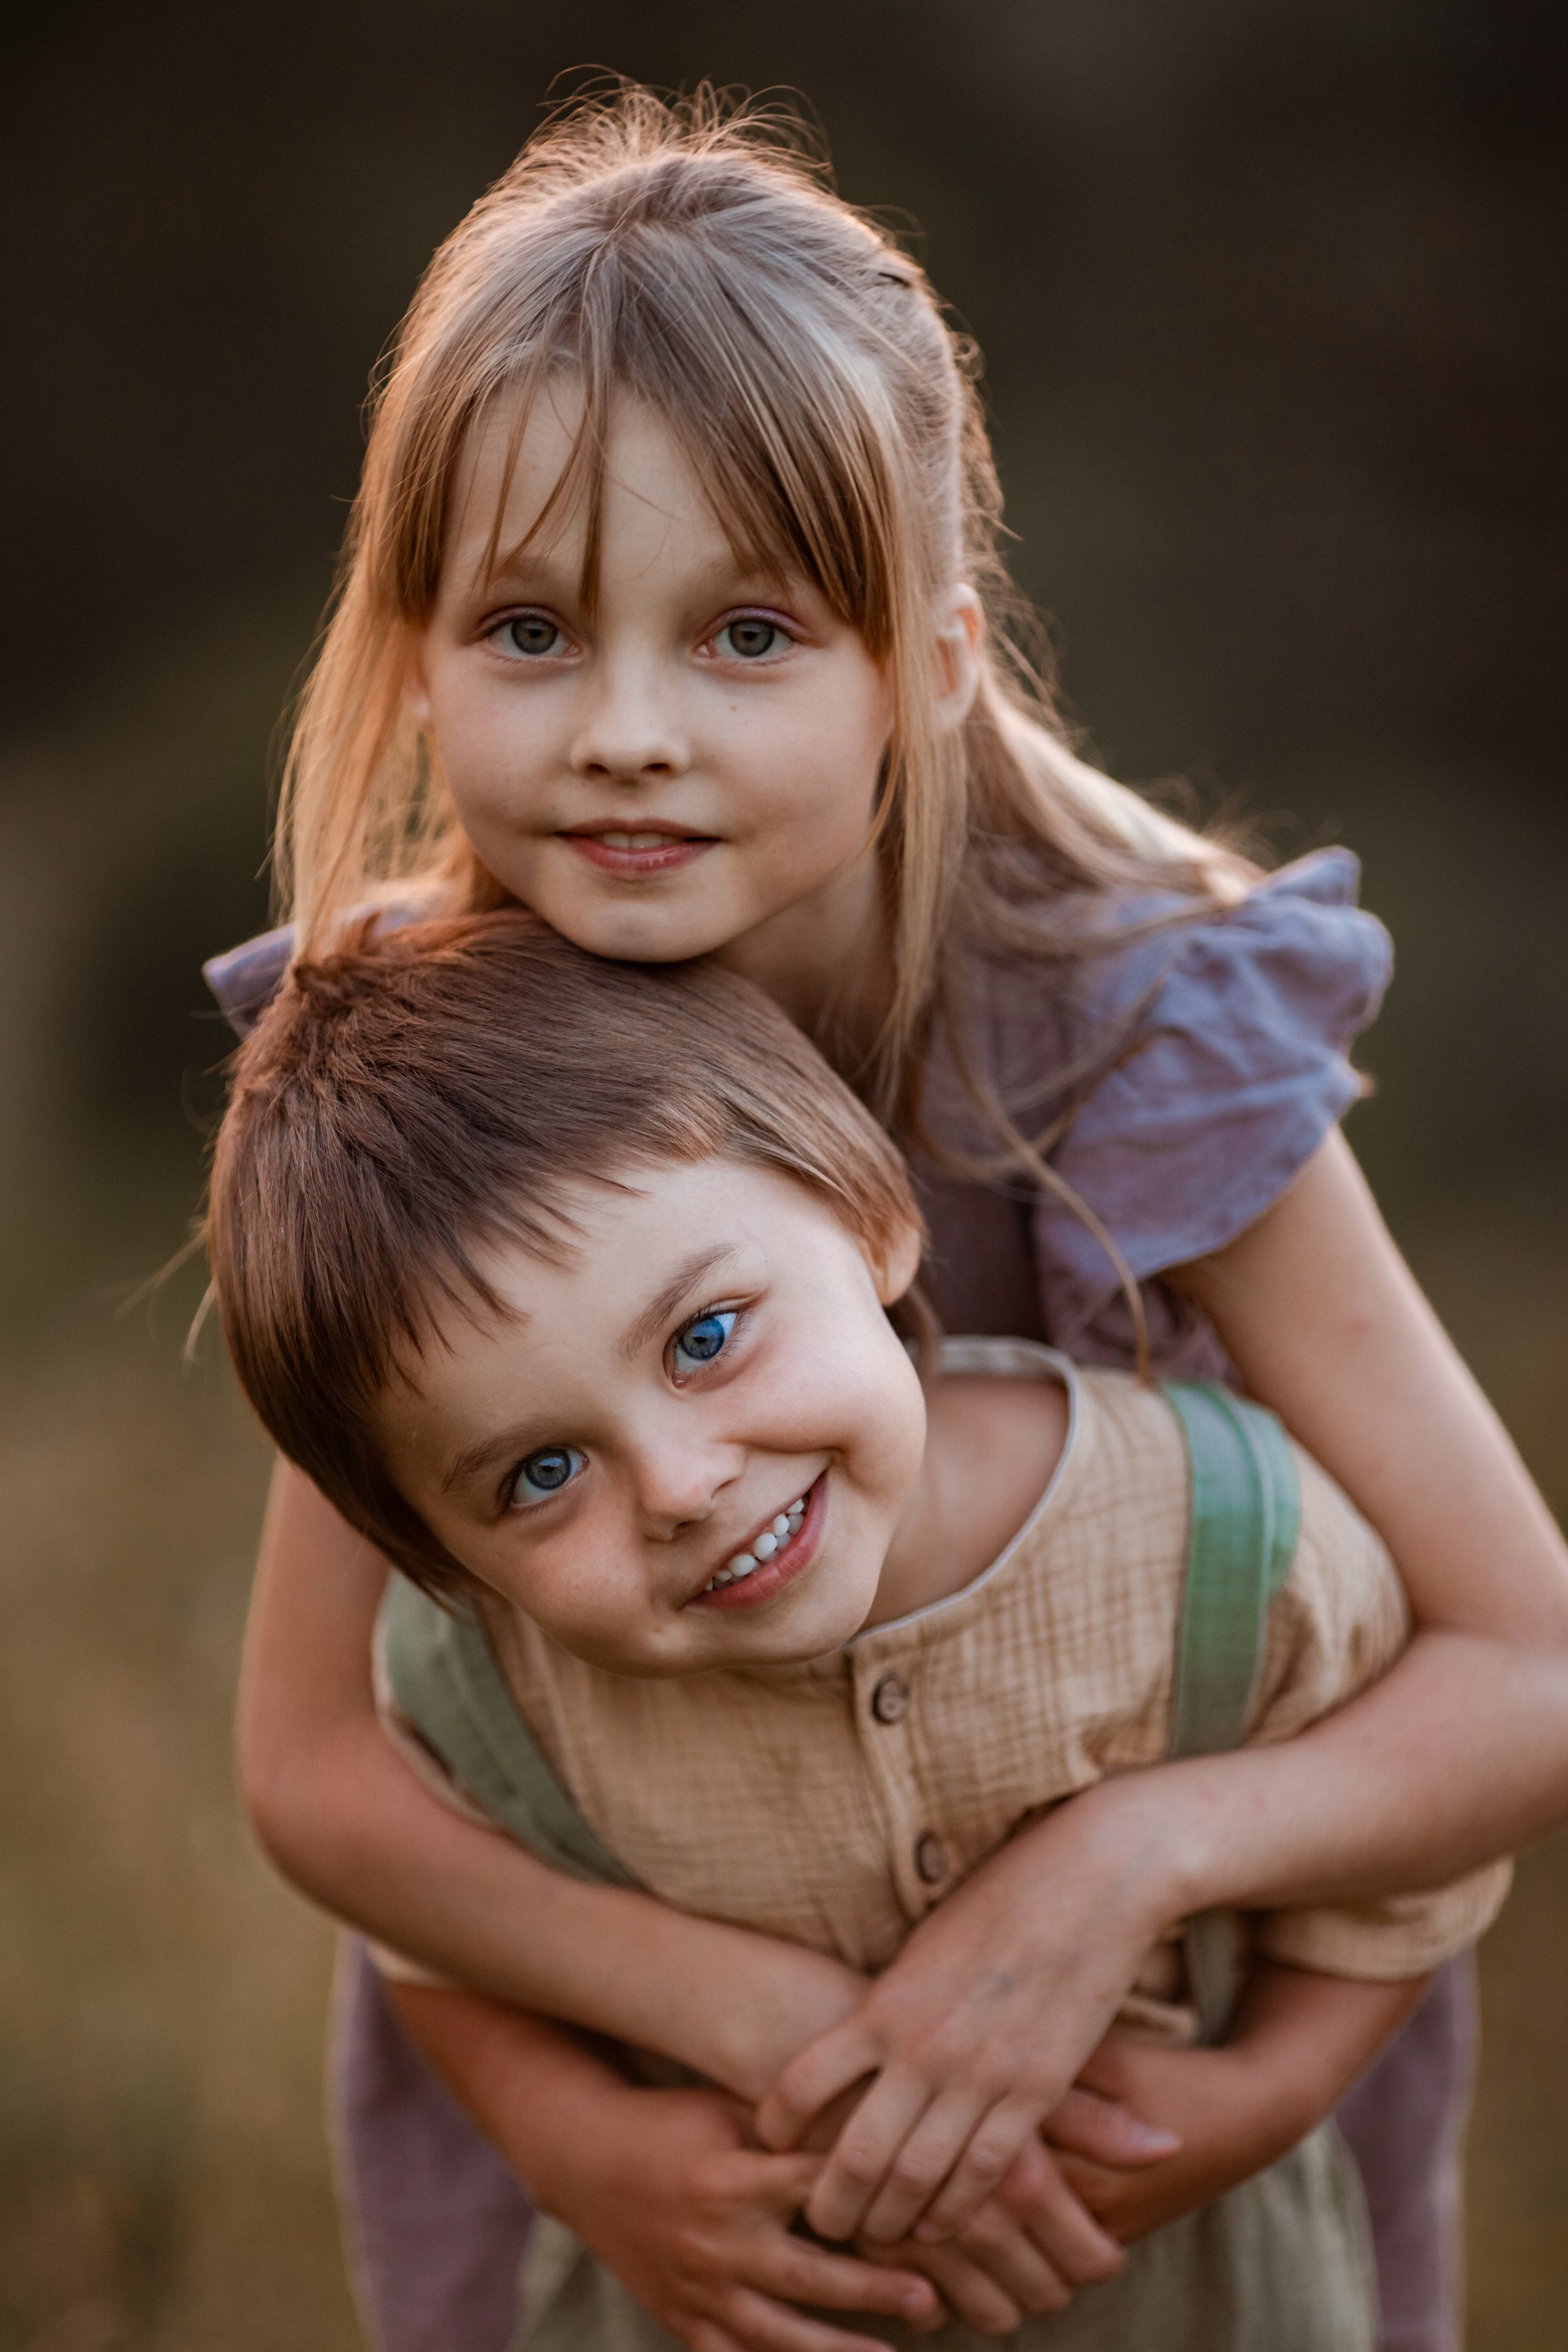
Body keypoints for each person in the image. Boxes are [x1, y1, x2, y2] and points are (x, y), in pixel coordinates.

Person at [207, 86, 1568, 2352]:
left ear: (925, 663)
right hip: (683, 2165)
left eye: (745, 633)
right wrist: (633, 2107)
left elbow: (1526, 1664)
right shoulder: (412, 1072)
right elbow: (318, 1767)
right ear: (418, 655)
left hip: (1152, 2111)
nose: (628, 731)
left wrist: (1131, 1896)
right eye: (531, 629)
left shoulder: (1131, 1026)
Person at [206, 911, 1510, 2352]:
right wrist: (580, 2143)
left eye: (705, 1338)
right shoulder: (492, 1703)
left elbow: (1402, 1872)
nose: (682, 1489)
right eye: (540, 1474)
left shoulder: (1217, 1535)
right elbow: (431, 1948)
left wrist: (1258, 2096)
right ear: (431, 1557)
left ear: (876, 1217)